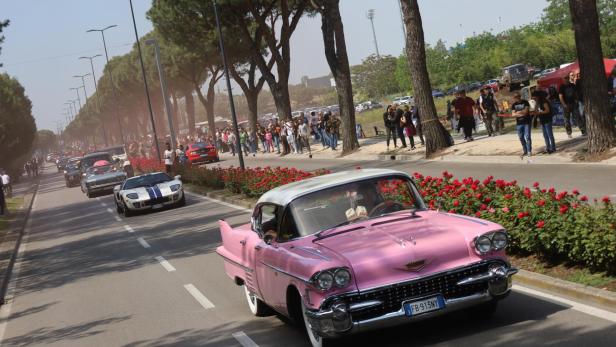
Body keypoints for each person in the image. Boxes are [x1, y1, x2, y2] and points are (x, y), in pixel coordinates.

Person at [511, 92, 532, 158]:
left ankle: (529, 151)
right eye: (515, 97)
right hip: (519, 123)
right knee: (521, 137)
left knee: (527, 137)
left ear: (520, 96)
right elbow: (513, 114)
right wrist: (521, 113)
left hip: (526, 122)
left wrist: (517, 112)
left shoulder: (525, 102)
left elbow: (526, 112)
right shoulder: (514, 105)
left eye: (518, 97)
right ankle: (525, 150)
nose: (517, 98)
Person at [559, 73, 578, 138]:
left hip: (573, 103)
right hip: (566, 105)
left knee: (577, 116)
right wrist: (564, 104)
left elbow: (575, 93)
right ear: (563, 79)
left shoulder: (572, 85)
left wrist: (576, 100)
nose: (566, 79)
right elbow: (560, 96)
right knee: (566, 119)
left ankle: (583, 130)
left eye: (567, 78)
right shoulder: (561, 87)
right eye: (565, 78)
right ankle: (569, 133)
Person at [573, 70, 587, 136]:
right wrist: (577, 99)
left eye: (579, 74)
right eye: (577, 75)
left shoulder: (585, 80)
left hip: (586, 100)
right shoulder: (578, 81)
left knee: (584, 114)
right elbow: (575, 91)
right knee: (582, 115)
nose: (579, 76)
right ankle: (584, 130)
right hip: (581, 100)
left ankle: (586, 129)